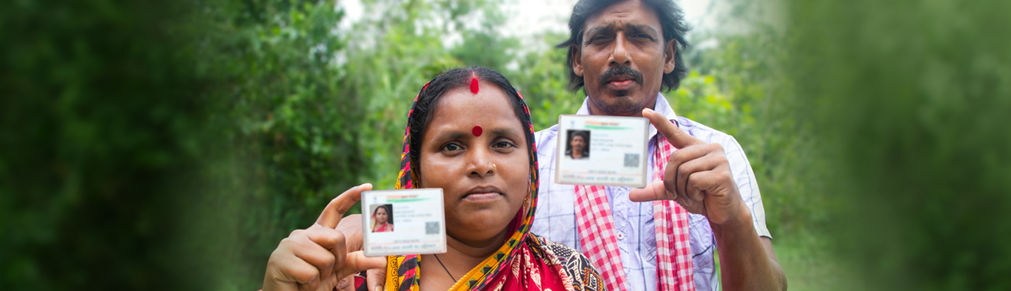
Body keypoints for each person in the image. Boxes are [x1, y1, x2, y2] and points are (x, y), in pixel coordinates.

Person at [262, 67, 603, 291]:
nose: (481, 164)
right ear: (416, 170)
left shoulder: (568, 276)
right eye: (452, 146)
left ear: (530, 165)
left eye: (502, 144)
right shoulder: (356, 272)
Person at [530, 0, 788, 290]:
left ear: (668, 55)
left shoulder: (716, 154)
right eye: (601, 39)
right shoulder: (531, 161)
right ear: (577, 59)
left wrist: (732, 221)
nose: (619, 54)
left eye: (640, 37)